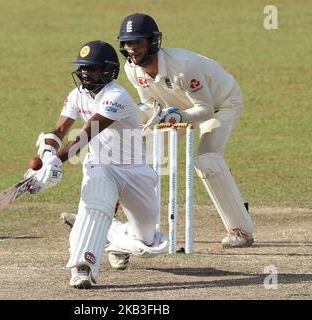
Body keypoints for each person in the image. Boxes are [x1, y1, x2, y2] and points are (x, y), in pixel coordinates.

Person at [26, 40, 168, 289]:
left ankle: (109, 232)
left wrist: (56, 160)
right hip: (100, 165)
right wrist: (47, 151)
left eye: (91, 68)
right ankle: (83, 267)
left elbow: (87, 133)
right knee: (94, 208)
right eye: (82, 68)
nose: (84, 73)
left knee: (147, 244)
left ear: (108, 70)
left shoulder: (116, 96)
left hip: (133, 170)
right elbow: (60, 128)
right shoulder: (77, 94)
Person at [117, 13, 254, 248]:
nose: (133, 50)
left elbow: (205, 109)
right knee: (138, 151)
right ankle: (109, 214)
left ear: (152, 42)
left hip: (221, 103)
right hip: (179, 107)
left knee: (206, 159)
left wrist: (177, 116)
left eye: (138, 43)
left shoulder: (182, 66)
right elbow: (151, 105)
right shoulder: (132, 69)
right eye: (128, 44)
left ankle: (241, 229)